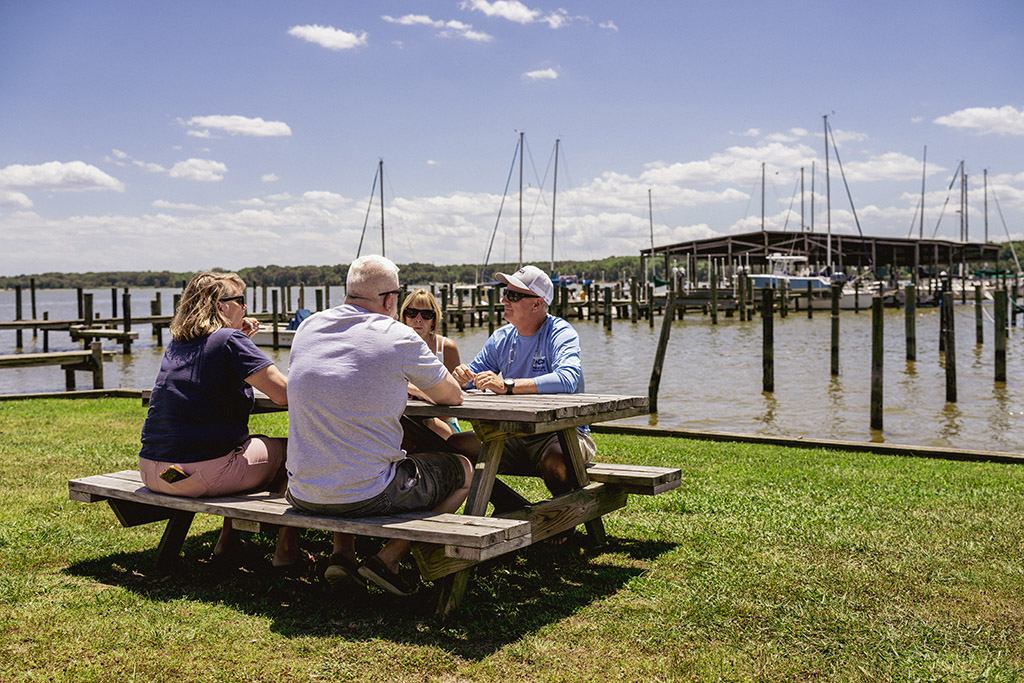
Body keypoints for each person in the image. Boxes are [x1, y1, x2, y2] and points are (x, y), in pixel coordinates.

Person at [286, 255, 472, 596]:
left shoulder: (309, 328)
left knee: (346, 451)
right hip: (368, 494)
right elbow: (451, 396)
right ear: (389, 300)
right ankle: (388, 560)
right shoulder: (396, 334)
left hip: (302, 491)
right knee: (462, 468)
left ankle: (342, 555)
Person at [138, 271, 303, 568]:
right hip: (198, 475)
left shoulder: (178, 343)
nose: (245, 308)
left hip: (152, 471)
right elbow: (283, 394)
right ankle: (285, 550)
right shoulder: (229, 340)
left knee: (243, 449)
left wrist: (243, 342)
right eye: (240, 300)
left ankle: (229, 543)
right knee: (299, 451)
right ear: (219, 306)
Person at [451, 264, 596, 513]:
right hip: (513, 435)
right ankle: (509, 502)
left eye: (514, 295)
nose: (504, 299)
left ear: (537, 304)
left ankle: (564, 518)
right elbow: (472, 377)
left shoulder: (561, 332)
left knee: (555, 461)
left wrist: (507, 386)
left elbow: (568, 378)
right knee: (453, 446)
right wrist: (461, 375)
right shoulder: (501, 338)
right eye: (505, 292)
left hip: (563, 434)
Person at [399, 288, 462, 438]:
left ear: (434, 320)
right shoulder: (395, 348)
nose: (418, 319)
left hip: (444, 425)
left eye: (426, 315)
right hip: (406, 421)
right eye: (412, 313)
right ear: (404, 316)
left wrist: (414, 390)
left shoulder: (446, 348)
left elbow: (452, 404)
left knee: (424, 422)